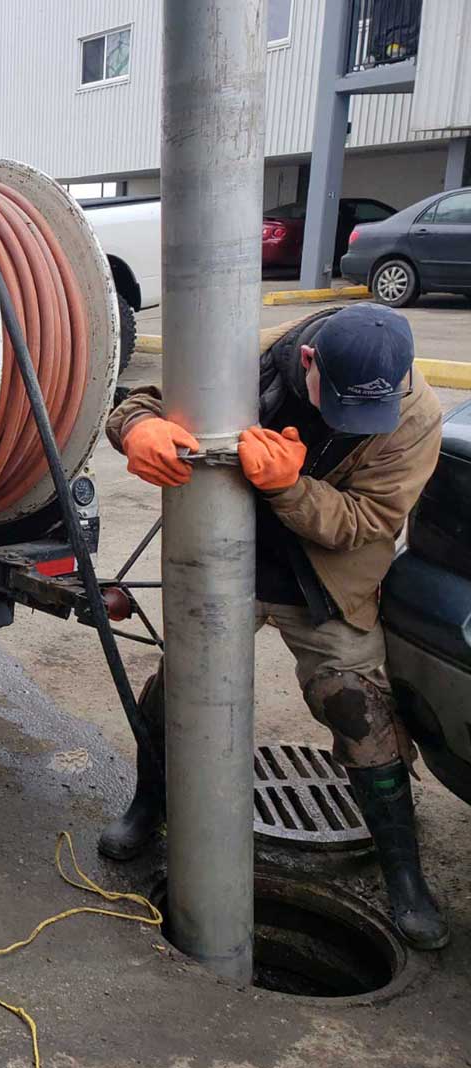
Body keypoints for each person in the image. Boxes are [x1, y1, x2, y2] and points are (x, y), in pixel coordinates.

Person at [100, 302, 447, 950]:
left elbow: (365, 523)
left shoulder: (412, 412)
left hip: (326, 576)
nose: (351, 420)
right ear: (310, 362)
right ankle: (149, 807)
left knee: (359, 708)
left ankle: (404, 878)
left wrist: (289, 487)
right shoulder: (252, 358)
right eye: (337, 402)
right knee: (178, 689)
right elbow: (139, 402)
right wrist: (137, 430)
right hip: (229, 556)